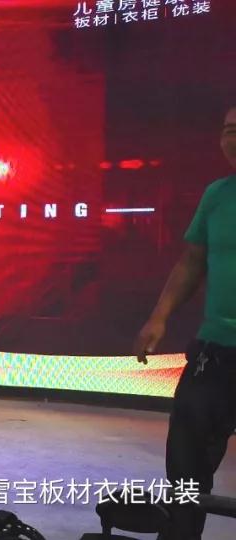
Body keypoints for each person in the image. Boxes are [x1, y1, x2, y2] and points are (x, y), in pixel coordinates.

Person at [134, 106, 236, 540]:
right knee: (186, 462)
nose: (233, 138)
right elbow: (192, 261)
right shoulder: (218, 194)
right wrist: (159, 317)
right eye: (229, 130)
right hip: (215, 350)